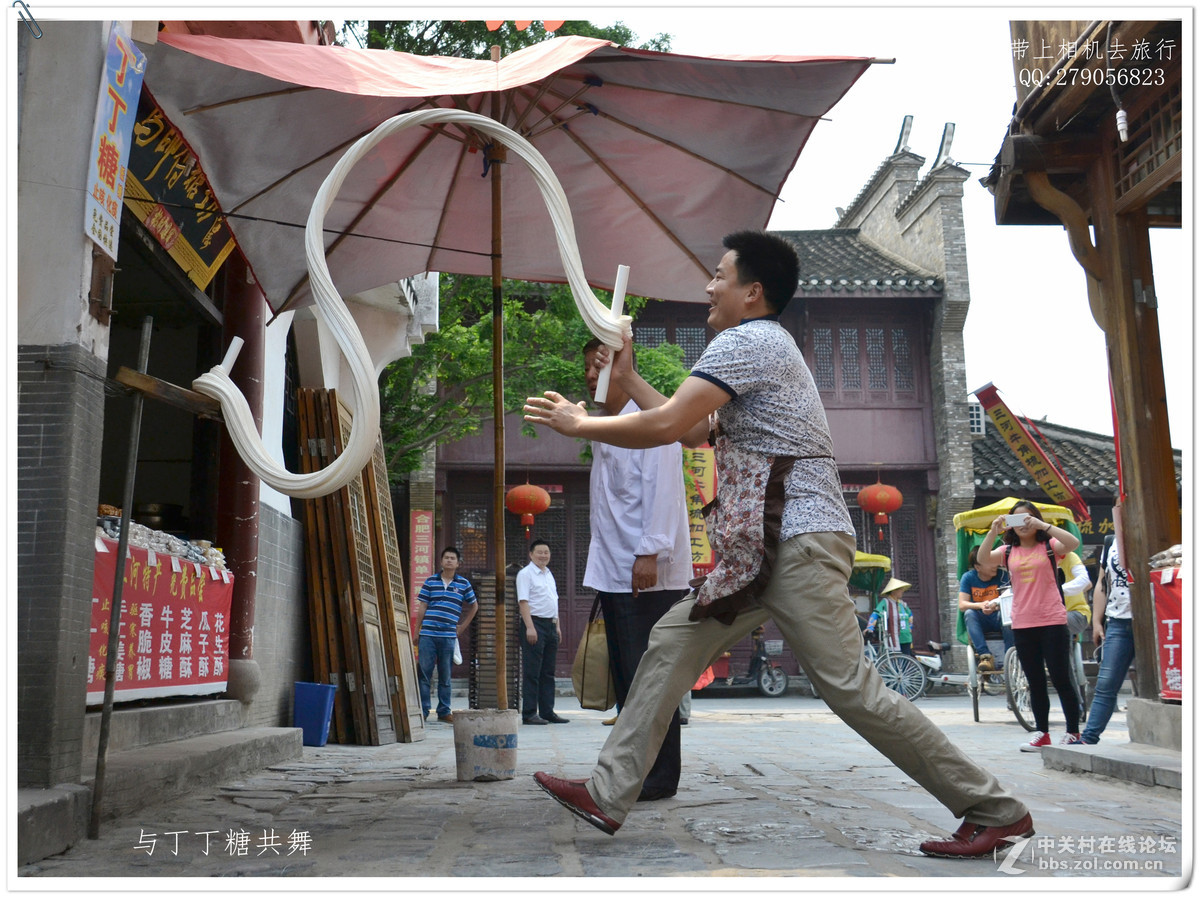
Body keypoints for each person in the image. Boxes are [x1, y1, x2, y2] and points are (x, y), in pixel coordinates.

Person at [523, 230, 1032, 858]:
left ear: (752, 292)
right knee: (672, 643)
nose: (709, 287)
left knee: (850, 689)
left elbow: (670, 423)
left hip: (796, 542)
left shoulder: (750, 341)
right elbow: (694, 432)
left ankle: (995, 810)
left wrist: (581, 423)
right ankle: (608, 791)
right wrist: (626, 377)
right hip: (760, 552)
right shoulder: (758, 346)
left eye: (720, 275)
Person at [581, 337, 692, 799]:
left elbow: (663, 489)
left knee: (650, 680)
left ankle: (657, 776)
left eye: (599, 367)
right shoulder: (607, 426)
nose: (591, 376)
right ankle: (636, 770)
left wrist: (650, 552)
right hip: (615, 570)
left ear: (622, 369)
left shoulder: (650, 419)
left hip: (646, 573)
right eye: (588, 368)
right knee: (629, 678)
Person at [978, 501, 1082, 749]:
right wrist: (993, 531)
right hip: (1023, 623)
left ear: (1035, 519)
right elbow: (982, 559)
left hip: (1052, 620)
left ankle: (1073, 732)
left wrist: (1043, 525)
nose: (1023, 524)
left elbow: (1073, 543)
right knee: (1034, 681)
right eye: (1016, 520)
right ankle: (1042, 733)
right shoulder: (1007, 551)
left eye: (1027, 519)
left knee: (1060, 677)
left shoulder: (1050, 546)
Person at [412, 546, 477, 724]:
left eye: (452, 558)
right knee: (424, 674)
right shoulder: (430, 581)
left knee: (445, 675)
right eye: (446, 557)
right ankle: (423, 710)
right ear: (441, 561)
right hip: (427, 634)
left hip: (448, 636)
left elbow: (474, 606)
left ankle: (444, 711)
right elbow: (422, 606)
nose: (449, 560)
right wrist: (417, 631)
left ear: (458, 563)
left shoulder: (463, 584)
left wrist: (462, 627)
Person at [1080, 534, 1134, 744]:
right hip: (1118, 621)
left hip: (1151, 619)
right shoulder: (1111, 542)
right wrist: (1097, 621)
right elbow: (1102, 584)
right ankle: (1089, 737)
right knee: (1106, 683)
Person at [516, 539, 568, 725]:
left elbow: (554, 601)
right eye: (539, 552)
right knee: (532, 671)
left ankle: (547, 711)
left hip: (550, 625)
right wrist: (530, 627)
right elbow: (523, 601)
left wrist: (557, 625)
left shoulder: (548, 574)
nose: (543, 555)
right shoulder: (525, 574)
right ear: (531, 554)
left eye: (546, 552)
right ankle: (529, 713)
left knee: (548, 672)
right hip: (534, 624)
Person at [957, 546, 1014, 673]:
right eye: (990, 562)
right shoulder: (968, 578)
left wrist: (995, 606)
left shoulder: (1002, 576)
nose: (995, 565)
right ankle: (985, 657)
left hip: (998, 617)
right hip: (980, 620)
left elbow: (1007, 600)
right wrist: (981, 605)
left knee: (1007, 613)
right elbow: (962, 604)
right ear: (977, 567)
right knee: (969, 613)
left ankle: (1009, 657)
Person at [863, 578, 916, 657]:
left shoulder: (903, 604)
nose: (902, 591)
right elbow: (876, 614)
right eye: (900, 589)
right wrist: (870, 627)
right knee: (895, 661)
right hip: (893, 638)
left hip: (906, 638)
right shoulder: (886, 602)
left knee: (906, 661)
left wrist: (910, 628)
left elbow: (910, 616)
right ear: (894, 591)